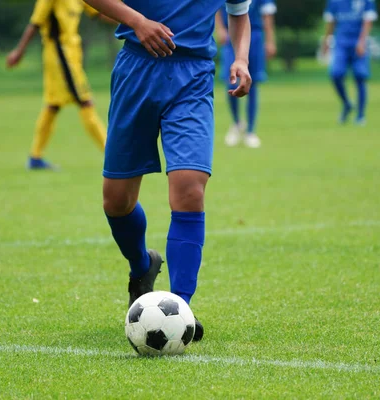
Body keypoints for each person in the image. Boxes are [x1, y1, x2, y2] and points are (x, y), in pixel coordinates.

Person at [83, 0, 252, 341]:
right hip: (136, 71)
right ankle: (142, 266)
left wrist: (241, 58)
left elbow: (239, 14)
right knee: (116, 202)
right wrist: (137, 21)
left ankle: (180, 309)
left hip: (193, 77)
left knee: (190, 190)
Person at [6, 0, 110, 170]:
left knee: (53, 105)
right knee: (85, 101)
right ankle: (111, 154)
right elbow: (35, 23)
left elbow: (103, 12)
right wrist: (19, 51)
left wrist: (134, 19)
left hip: (72, 53)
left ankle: (35, 157)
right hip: (59, 54)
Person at [216, 0, 277, 149]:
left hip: (254, 35)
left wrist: (270, 41)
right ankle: (237, 123)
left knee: (252, 83)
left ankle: (251, 131)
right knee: (230, 81)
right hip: (232, 34)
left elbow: (267, 15)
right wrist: (220, 29)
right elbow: (216, 6)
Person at [322, 0, 377, 126]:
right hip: (341, 43)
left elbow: (368, 22)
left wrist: (362, 42)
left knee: (360, 76)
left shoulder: (367, 1)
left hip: (358, 43)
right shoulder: (334, 2)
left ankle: (360, 115)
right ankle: (347, 103)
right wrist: (326, 42)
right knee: (335, 74)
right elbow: (331, 23)